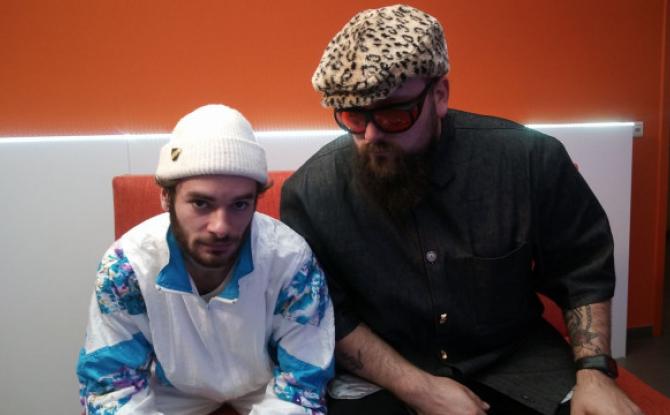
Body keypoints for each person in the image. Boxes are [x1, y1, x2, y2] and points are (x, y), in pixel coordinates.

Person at [280, 5, 641, 415]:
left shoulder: (528, 161)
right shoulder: (310, 193)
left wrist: (594, 373)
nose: (371, 136)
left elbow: (582, 269)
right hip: (385, 373)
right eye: (353, 117)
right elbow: (330, 315)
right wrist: (419, 388)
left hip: (515, 362)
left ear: (439, 96)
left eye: (394, 115)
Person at [77, 104, 334, 415]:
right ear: (166, 197)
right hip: (170, 391)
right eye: (201, 203)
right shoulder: (127, 268)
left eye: (239, 204)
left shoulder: (290, 261)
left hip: (265, 387)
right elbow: (111, 387)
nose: (221, 227)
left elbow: (303, 385)